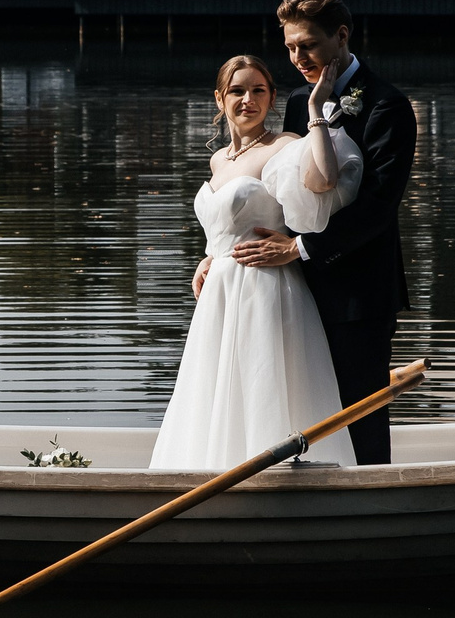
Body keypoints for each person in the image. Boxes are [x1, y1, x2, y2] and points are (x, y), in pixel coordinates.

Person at [226, 0, 416, 466]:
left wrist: (301, 249)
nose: (297, 58)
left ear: (342, 36)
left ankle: (372, 505)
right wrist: (222, 251)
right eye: (290, 48)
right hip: (296, 292)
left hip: (359, 293)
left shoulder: (386, 106)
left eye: (307, 45)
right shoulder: (295, 103)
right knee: (300, 406)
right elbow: (277, 191)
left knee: (360, 411)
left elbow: (378, 205)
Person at [150, 55, 364, 471]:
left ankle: (276, 480)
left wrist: (316, 110)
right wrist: (209, 256)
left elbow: (324, 180)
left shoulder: (282, 146)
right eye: (237, 90)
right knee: (214, 392)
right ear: (219, 98)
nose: (248, 100)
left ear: (271, 98)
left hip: (265, 288)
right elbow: (227, 224)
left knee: (262, 381)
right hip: (219, 296)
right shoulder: (218, 160)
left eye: (258, 91)